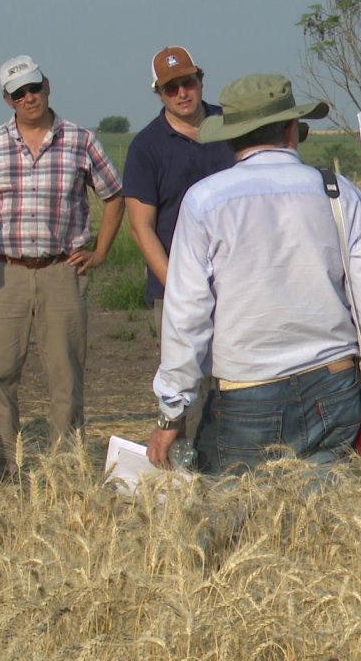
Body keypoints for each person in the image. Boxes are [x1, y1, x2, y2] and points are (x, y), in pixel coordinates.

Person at [146, 74, 361, 475]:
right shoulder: (340, 192)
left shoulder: (204, 202)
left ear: (230, 137)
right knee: (328, 522)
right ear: (292, 128)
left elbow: (186, 316)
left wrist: (172, 413)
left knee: (241, 526)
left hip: (246, 392)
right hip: (334, 383)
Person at [0, 55, 125, 477]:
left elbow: (115, 195)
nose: (29, 98)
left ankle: (65, 469)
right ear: (6, 100)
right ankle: (3, 470)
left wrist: (100, 251)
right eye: (19, 94)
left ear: (47, 85)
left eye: (34, 88)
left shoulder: (81, 141)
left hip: (61, 270)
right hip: (3, 272)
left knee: (66, 374)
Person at [123, 46, 233, 436]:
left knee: (238, 377)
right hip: (174, 287)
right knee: (183, 382)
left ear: (201, 81)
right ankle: (185, 463)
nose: (183, 93)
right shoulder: (145, 147)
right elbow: (141, 228)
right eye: (172, 89)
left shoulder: (234, 126)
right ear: (159, 94)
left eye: (188, 82)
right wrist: (181, 288)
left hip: (239, 281)